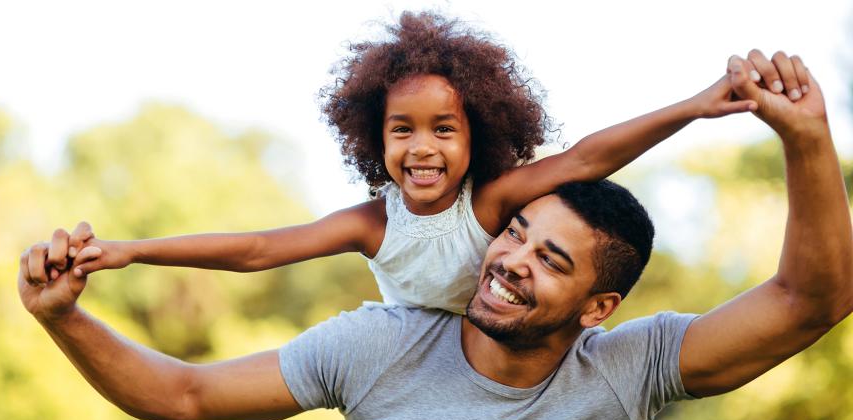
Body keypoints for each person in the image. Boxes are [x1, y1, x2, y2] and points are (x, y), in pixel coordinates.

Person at [18, 50, 852, 420]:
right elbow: (184, 395)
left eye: (552, 259)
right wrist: (67, 315)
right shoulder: (379, 345)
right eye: (516, 231)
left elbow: (811, 301)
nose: (511, 256)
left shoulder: (628, 370)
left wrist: (807, 139)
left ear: (599, 307)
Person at [45, 12, 761, 315]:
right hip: (413, 365)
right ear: (374, 138)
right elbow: (261, 249)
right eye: (402, 130)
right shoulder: (371, 224)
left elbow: (587, 157)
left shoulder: (489, 205)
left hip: (503, 350)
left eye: (444, 129)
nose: (422, 148)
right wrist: (132, 251)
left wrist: (693, 106)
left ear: (475, 135)